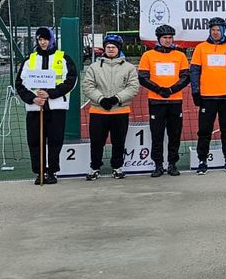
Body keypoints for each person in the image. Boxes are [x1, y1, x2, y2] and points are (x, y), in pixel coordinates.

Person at [15, 26, 78, 185]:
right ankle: (39, 172)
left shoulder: (63, 58)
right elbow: (20, 83)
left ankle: (52, 171)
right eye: (40, 39)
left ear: (52, 40)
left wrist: (51, 93)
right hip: (36, 108)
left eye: (46, 39)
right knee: (35, 141)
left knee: (55, 140)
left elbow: (71, 80)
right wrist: (32, 98)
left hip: (56, 107)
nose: (43, 42)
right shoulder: (30, 59)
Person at [81, 33, 140, 180]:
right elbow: (87, 86)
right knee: (96, 142)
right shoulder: (94, 67)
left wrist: (116, 99)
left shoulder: (129, 68)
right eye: (108, 47)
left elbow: (133, 87)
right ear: (104, 49)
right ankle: (95, 167)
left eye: (114, 47)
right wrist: (101, 99)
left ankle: (117, 167)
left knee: (118, 141)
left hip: (120, 110)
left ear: (119, 48)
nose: (111, 49)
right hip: (98, 110)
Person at [189, 17, 226, 174]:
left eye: (218, 29)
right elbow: (194, 71)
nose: (215, 32)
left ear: (223, 30)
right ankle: (202, 161)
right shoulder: (201, 48)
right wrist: (195, 91)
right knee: (204, 131)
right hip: (207, 97)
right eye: (213, 29)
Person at [137, 24, 191, 176]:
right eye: (165, 38)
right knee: (157, 134)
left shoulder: (179, 56)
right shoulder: (148, 56)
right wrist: (159, 90)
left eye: (170, 37)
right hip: (156, 101)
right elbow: (143, 77)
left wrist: (172, 90)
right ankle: (158, 164)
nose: (168, 40)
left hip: (175, 101)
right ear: (158, 39)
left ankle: (172, 164)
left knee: (175, 134)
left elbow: (185, 77)